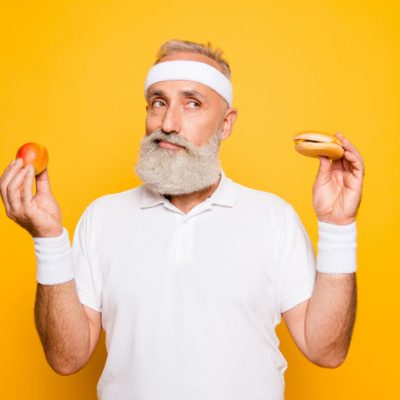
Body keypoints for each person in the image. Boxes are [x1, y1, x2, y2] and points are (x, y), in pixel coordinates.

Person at [0, 39, 364, 400]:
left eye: (192, 104)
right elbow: (67, 358)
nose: (168, 123)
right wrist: (48, 240)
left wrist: (338, 228)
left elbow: (326, 351)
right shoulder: (102, 217)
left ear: (226, 123)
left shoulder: (274, 218)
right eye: (158, 102)